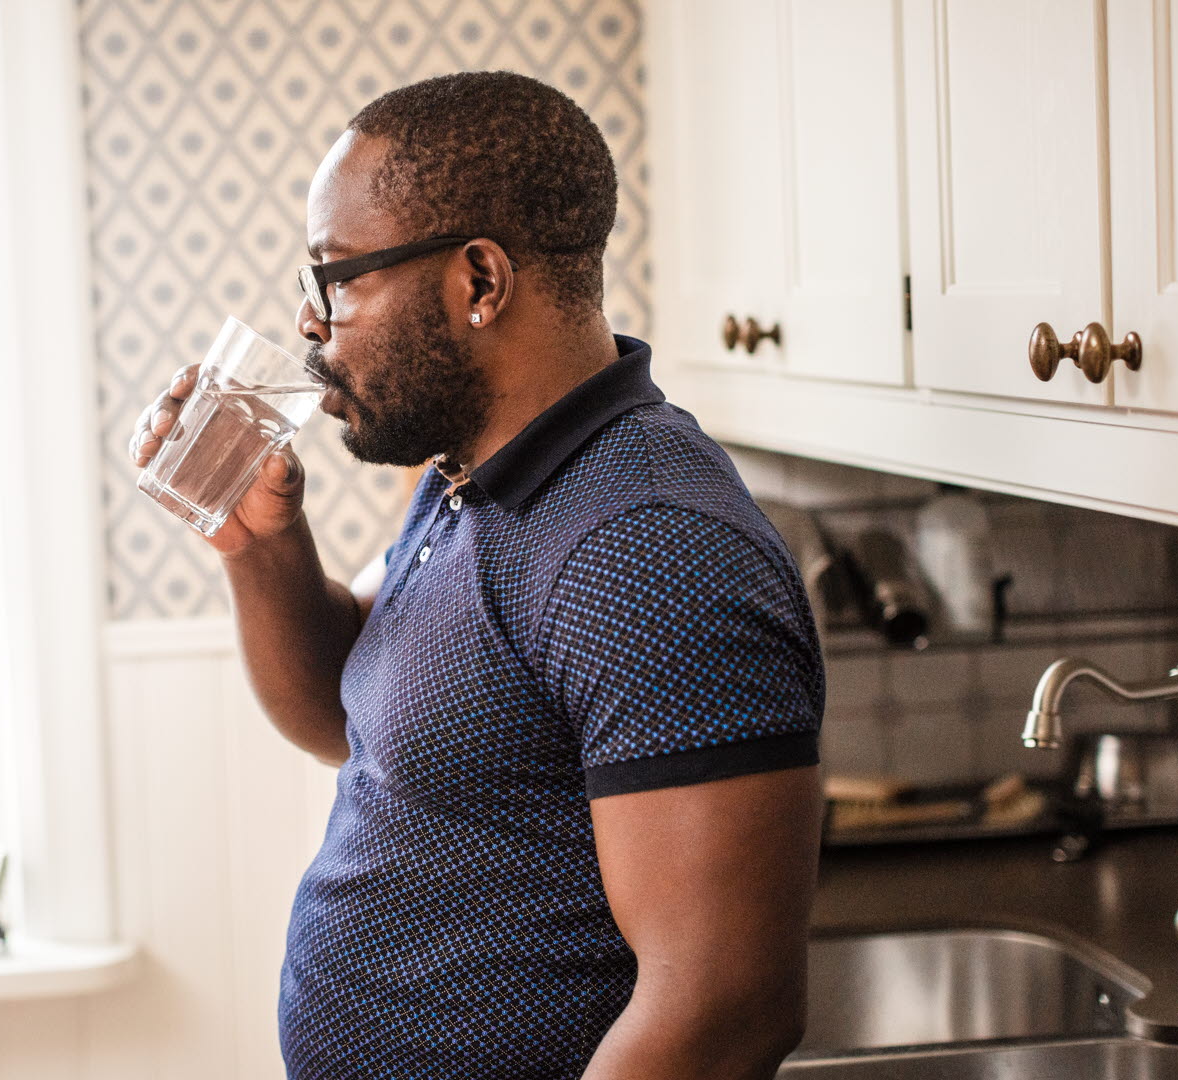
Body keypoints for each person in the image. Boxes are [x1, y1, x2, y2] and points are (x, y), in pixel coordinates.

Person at [128, 71, 824, 1080]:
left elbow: (724, 1011)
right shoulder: (472, 477)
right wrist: (260, 545)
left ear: (480, 282)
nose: (312, 325)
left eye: (340, 279)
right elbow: (349, 713)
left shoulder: (647, 547)